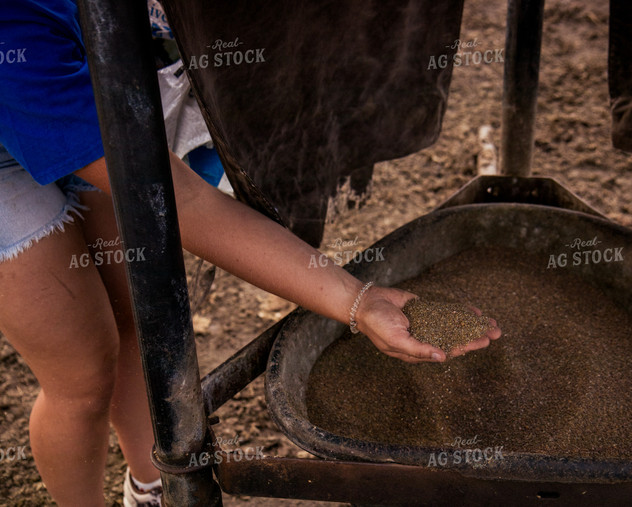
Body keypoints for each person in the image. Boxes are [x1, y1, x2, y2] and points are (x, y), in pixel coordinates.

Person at [0, 1, 501, 506]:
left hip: (88, 81)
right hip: (13, 126)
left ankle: (149, 485)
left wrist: (361, 300)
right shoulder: (15, 39)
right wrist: (357, 299)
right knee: (81, 370)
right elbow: (180, 201)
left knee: (135, 318)